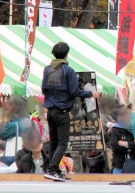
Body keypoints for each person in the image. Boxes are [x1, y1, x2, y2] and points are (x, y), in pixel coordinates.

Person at [42, 42, 101, 181]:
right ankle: (51, 169)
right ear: (66, 54)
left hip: (50, 110)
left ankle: (55, 170)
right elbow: (75, 91)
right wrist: (92, 94)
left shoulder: (47, 69)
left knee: (54, 142)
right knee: (63, 143)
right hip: (62, 112)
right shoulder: (68, 71)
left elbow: (44, 89)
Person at [110, 106, 135, 174]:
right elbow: (115, 146)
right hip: (119, 164)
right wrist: (131, 146)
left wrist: (125, 144)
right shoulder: (116, 129)